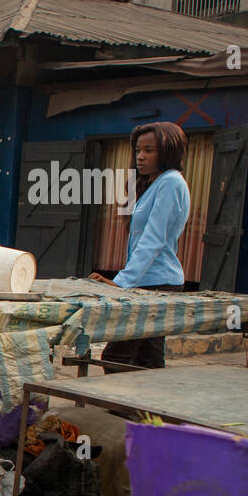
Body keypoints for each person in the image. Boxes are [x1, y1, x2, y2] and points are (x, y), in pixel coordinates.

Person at [90, 121, 191, 371]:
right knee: (149, 358)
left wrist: (122, 281)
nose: (141, 157)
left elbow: (153, 239)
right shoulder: (152, 185)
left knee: (116, 356)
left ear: (168, 152)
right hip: (150, 281)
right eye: (138, 151)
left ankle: (124, 410)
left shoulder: (170, 182)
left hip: (156, 284)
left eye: (149, 150)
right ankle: (149, 410)